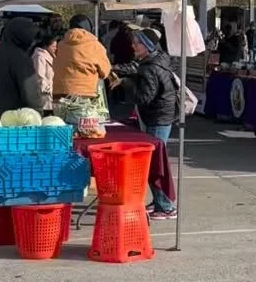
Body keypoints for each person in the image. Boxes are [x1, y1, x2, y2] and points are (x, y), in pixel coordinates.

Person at [113, 27, 178, 220]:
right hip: (160, 115)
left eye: (137, 43)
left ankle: (166, 206)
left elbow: (145, 98)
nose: (133, 46)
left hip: (157, 117)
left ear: (147, 46)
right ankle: (159, 201)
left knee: (155, 164)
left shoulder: (150, 67)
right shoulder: (155, 60)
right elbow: (134, 70)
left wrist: (127, 85)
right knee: (153, 162)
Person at [0, 17, 44, 119]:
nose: (32, 42)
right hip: (17, 118)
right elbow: (30, 91)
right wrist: (38, 114)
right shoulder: (20, 57)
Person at [53, 15, 111, 103]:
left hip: (59, 93)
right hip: (85, 94)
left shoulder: (60, 45)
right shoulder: (95, 46)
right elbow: (104, 72)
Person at [31, 31, 60, 113]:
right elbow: (39, 76)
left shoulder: (52, 56)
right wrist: (46, 89)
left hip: (50, 95)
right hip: (44, 94)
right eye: (53, 46)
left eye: (56, 46)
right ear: (46, 46)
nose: (55, 48)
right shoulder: (39, 57)